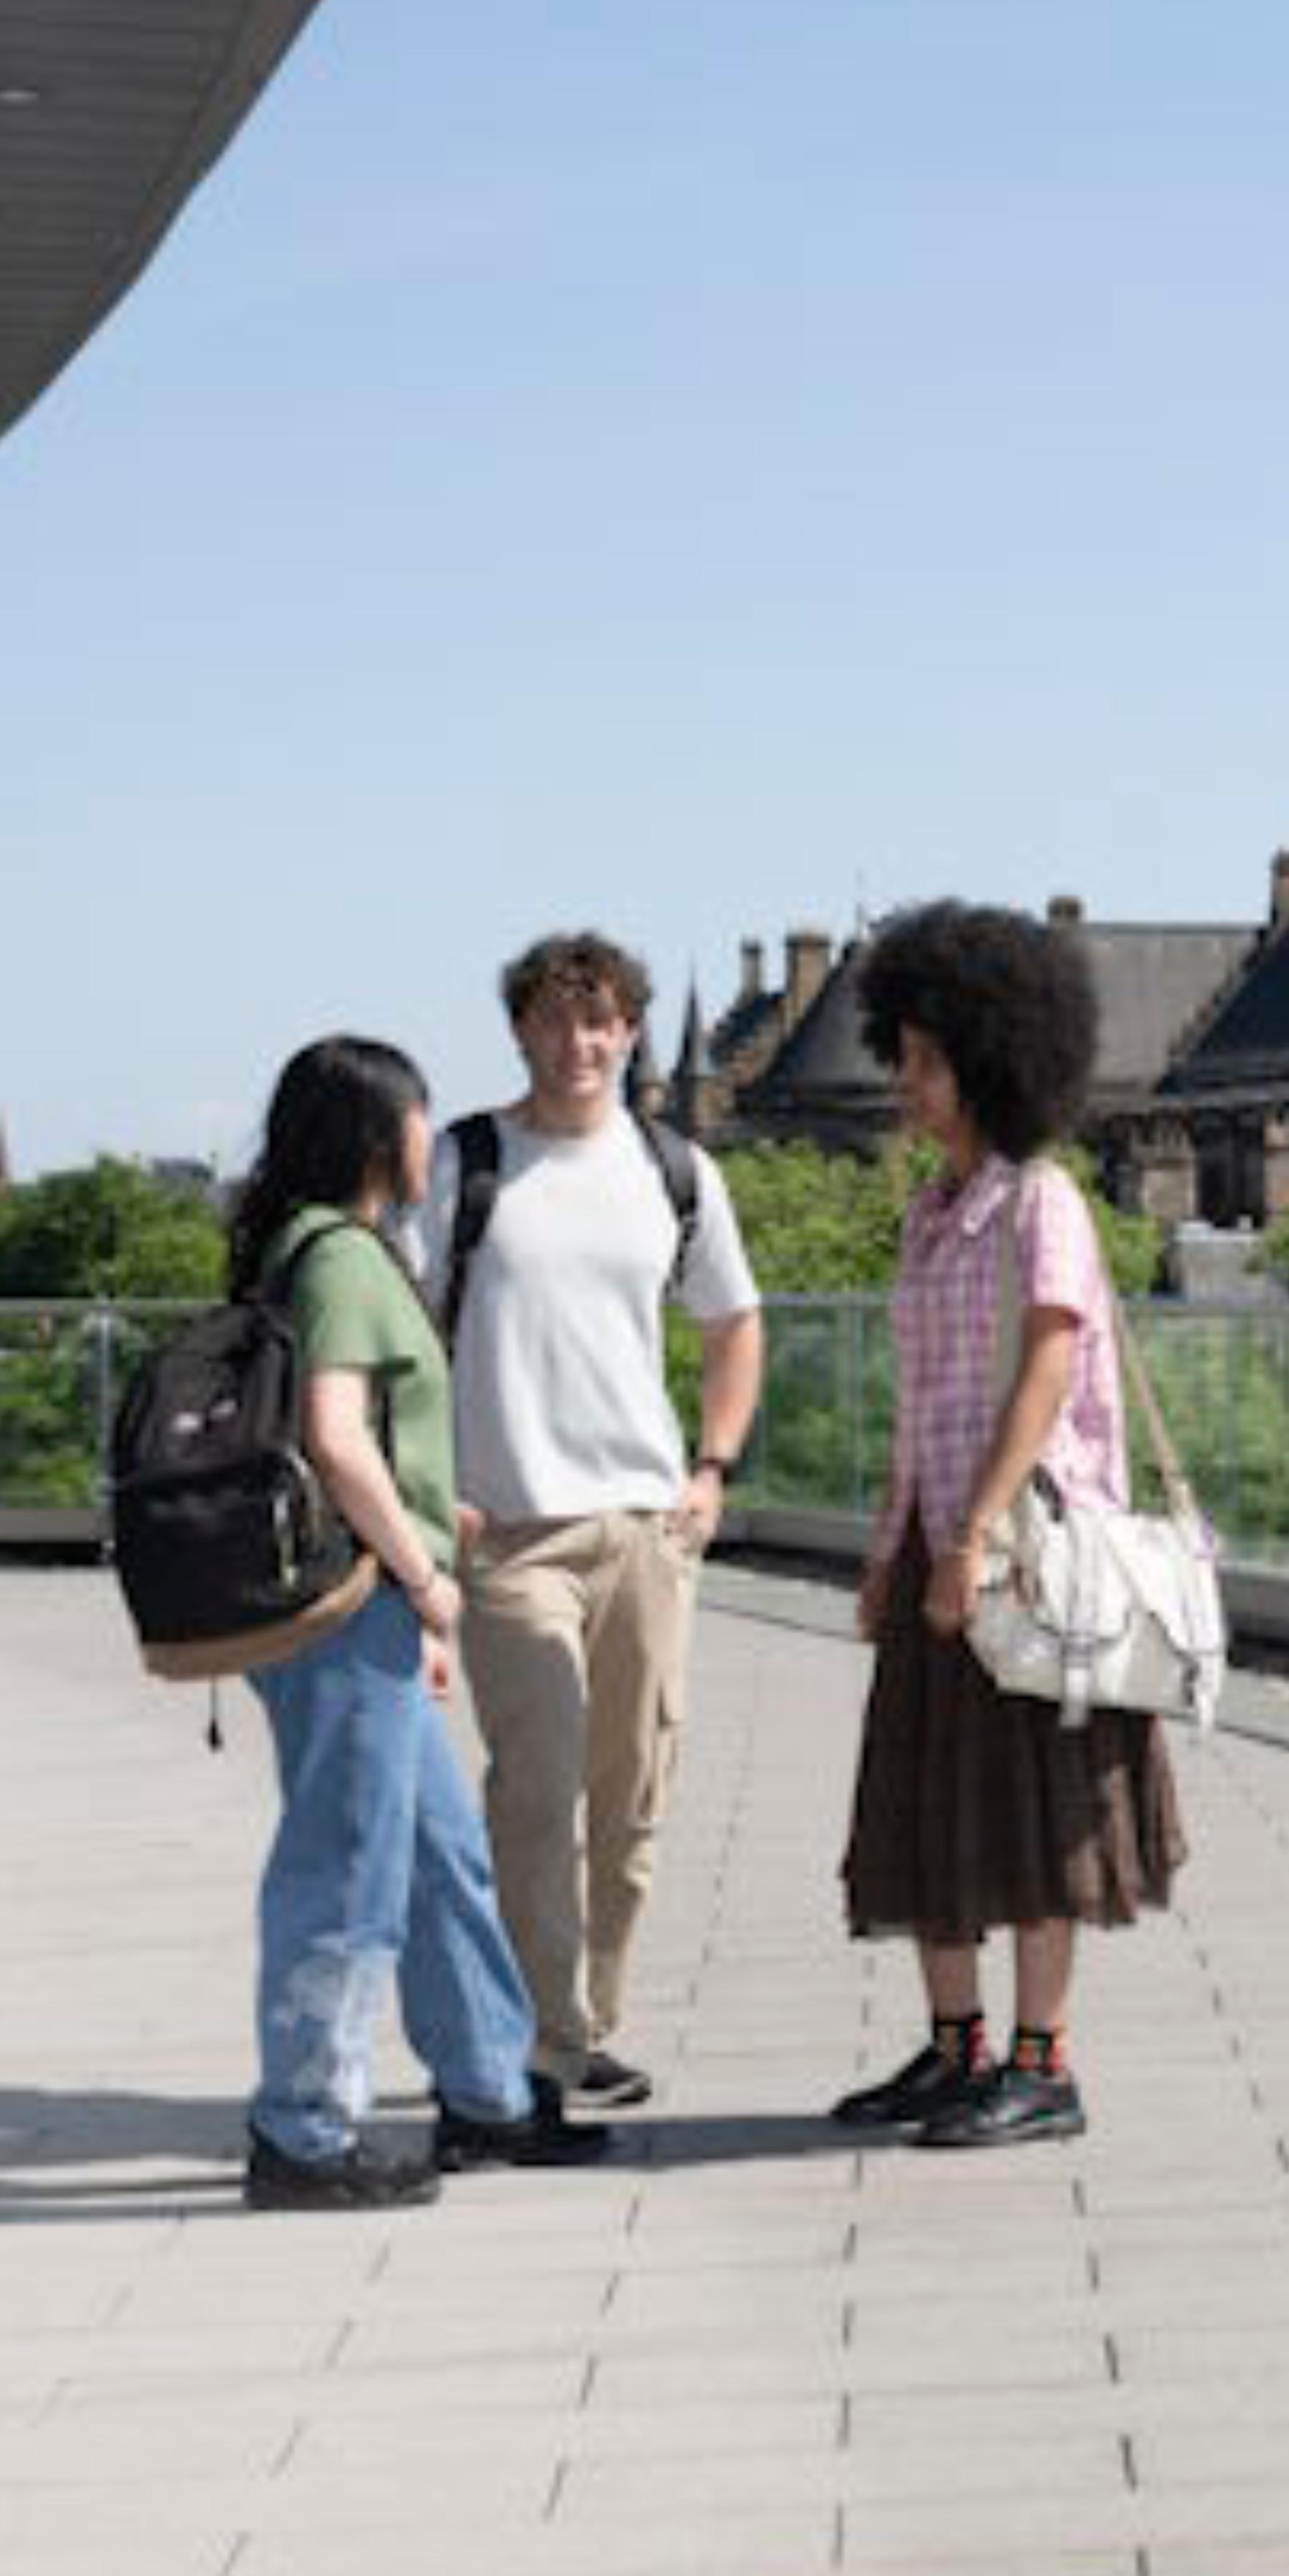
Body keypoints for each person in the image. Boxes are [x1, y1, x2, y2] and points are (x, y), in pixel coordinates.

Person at [221, 1035, 616, 2207]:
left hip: (356, 1606)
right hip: (355, 1613)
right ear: (374, 1134)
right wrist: (426, 1574)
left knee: (444, 1861)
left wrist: (436, 1512)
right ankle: (302, 2129)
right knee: (347, 1871)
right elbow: (339, 1437)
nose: (427, 1135)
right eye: (416, 1115)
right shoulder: (343, 1257)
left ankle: (490, 2094)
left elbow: (343, 1436)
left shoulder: (307, 1248)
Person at [830, 901, 1183, 2147]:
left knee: (1037, 1809)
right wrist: (895, 1548)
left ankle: (1043, 2064)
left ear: (987, 1057)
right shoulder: (934, 1214)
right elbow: (921, 1397)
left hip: (1024, 1550)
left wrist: (972, 1533)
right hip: (945, 1540)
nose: (907, 1086)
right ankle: (955, 2051)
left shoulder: (1043, 1205)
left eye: (922, 1061)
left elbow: (1045, 1374)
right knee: (929, 1802)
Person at [402, 930, 766, 2113]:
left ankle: (589, 2019)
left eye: (601, 1020)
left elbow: (733, 1324)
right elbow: (400, 1335)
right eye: (557, 1020)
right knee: (535, 1786)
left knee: (632, 1802)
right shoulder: (467, 1163)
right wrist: (429, 1484)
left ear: (630, 1032)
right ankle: (541, 2035)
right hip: (509, 1534)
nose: (580, 1043)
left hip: (646, 1530)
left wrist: (711, 1471)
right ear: (521, 1029)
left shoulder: (675, 1170)